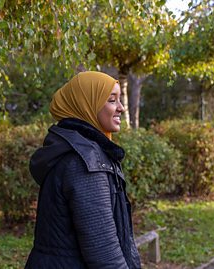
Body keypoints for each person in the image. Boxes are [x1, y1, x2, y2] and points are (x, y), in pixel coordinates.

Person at [25, 71, 141, 269]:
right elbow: (104, 253)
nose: (121, 108)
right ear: (88, 105)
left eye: (120, 100)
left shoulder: (79, 150)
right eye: (112, 100)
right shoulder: (84, 163)